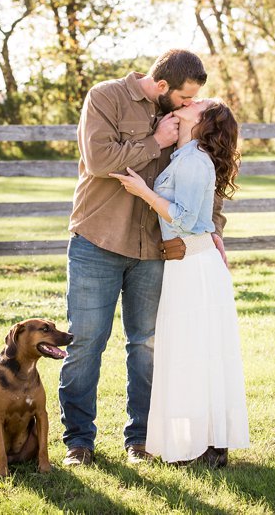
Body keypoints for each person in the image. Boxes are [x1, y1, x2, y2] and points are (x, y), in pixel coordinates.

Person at [59, 50, 227, 467]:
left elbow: (205, 181)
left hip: (156, 251)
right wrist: (155, 143)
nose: (191, 105)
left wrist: (215, 233)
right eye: (186, 97)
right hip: (98, 240)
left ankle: (141, 439)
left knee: (148, 346)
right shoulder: (106, 97)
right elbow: (99, 160)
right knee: (85, 344)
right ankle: (79, 442)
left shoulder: (186, 121)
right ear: (164, 86)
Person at [111, 99, 249, 467]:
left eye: (200, 103)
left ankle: (205, 447)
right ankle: (207, 445)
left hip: (192, 263)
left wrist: (144, 192)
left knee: (193, 353)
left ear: (202, 122)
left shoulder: (192, 160)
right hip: (186, 261)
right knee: (193, 353)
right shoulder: (184, 157)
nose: (191, 101)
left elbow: (186, 220)